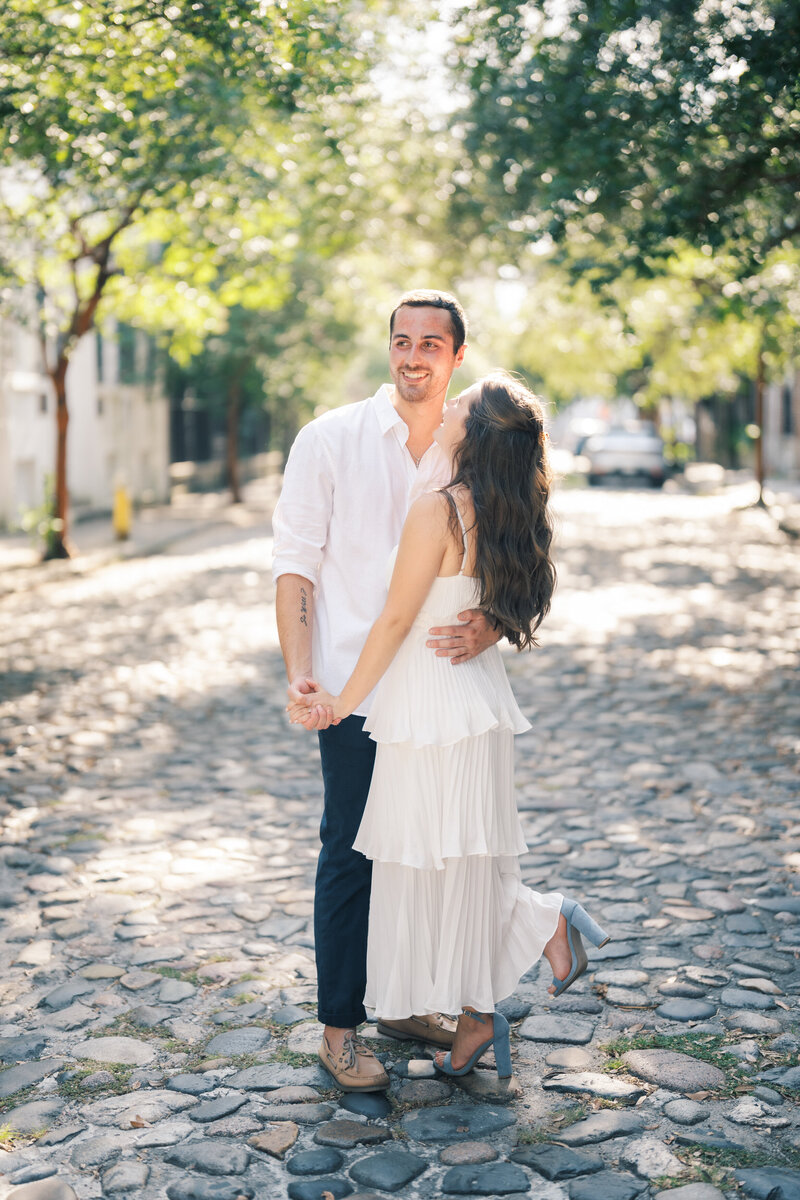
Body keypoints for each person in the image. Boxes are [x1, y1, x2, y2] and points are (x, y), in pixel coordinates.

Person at [290, 371, 609, 1078]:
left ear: (477, 432)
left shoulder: (439, 508)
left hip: (426, 704)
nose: (451, 402)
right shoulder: (507, 509)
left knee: (421, 863)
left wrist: (342, 699)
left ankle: (540, 923)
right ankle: (474, 1015)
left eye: (463, 402)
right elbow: (521, 590)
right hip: (477, 700)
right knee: (460, 861)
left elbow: (399, 619)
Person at [272, 290, 502, 1091]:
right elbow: (296, 564)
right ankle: (339, 1029)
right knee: (352, 855)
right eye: (401, 341)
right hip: (354, 692)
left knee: (431, 861)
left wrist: (493, 624)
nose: (412, 357)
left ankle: (406, 1004)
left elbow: (519, 558)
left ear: (456, 356)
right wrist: (303, 670)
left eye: (430, 343)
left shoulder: (472, 447)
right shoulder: (329, 439)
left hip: (439, 695)